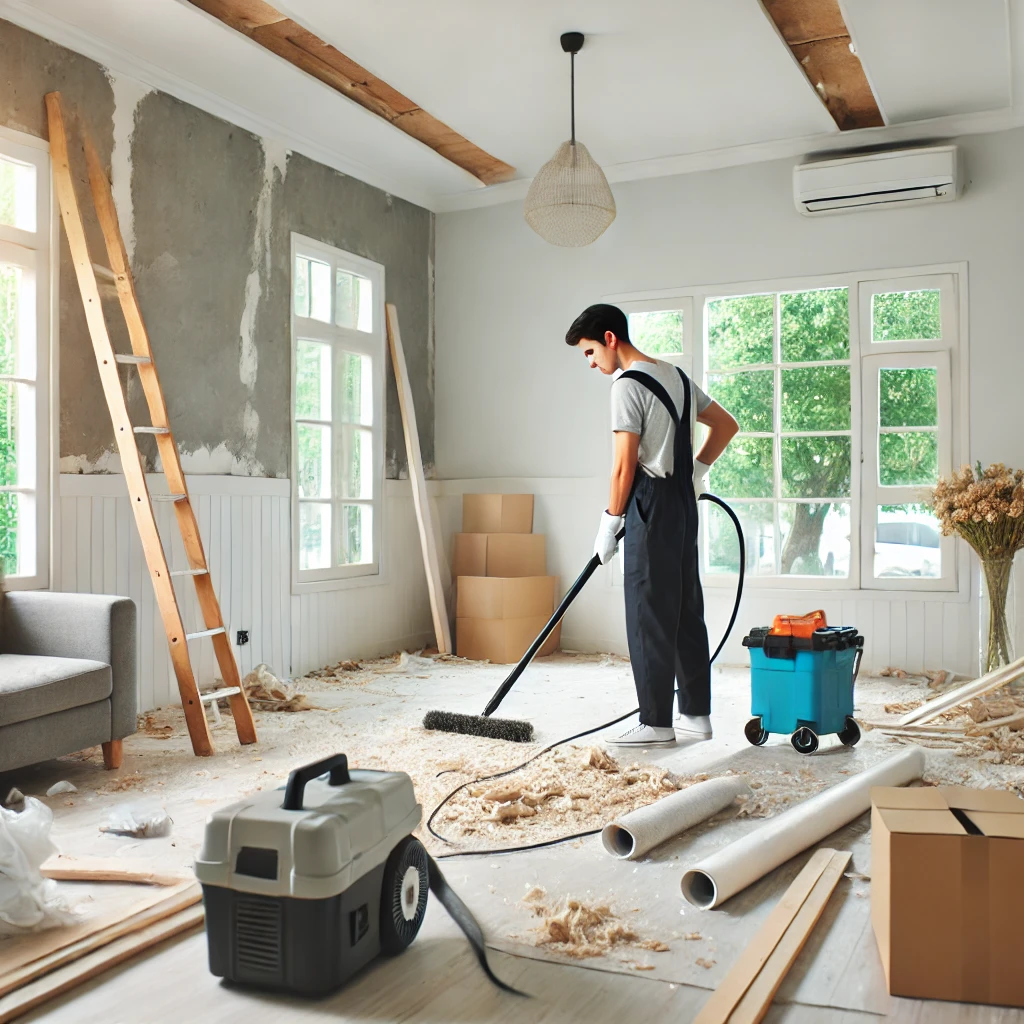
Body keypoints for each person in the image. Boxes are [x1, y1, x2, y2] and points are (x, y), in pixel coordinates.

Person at [565, 303, 739, 747]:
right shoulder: (675, 376)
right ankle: (696, 715)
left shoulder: (625, 385)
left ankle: (656, 722)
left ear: (609, 338)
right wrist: (697, 471)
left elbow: (624, 467)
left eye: (589, 353)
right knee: (684, 607)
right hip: (682, 503)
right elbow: (725, 425)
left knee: (648, 610)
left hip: (650, 503)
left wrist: (609, 522)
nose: (590, 364)